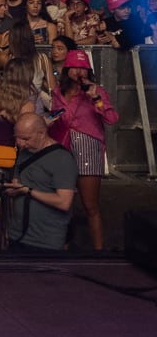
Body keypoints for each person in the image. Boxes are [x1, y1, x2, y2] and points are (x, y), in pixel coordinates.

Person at [50, 49, 117, 251]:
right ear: (67, 69)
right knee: (63, 203)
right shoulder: (57, 93)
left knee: (90, 205)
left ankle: (99, 252)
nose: (79, 72)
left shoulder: (97, 92)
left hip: (87, 147)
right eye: (75, 67)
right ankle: (62, 246)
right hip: (62, 147)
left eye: (83, 68)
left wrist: (95, 97)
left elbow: (112, 119)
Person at [3, 112, 76, 253]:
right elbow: (17, 184)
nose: (20, 143)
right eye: (17, 138)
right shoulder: (24, 152)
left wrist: (28, 190)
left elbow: (64, 202)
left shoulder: (62, 159)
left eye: (25, 138)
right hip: (17, 235)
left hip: (45, 241)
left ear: (41, 134)